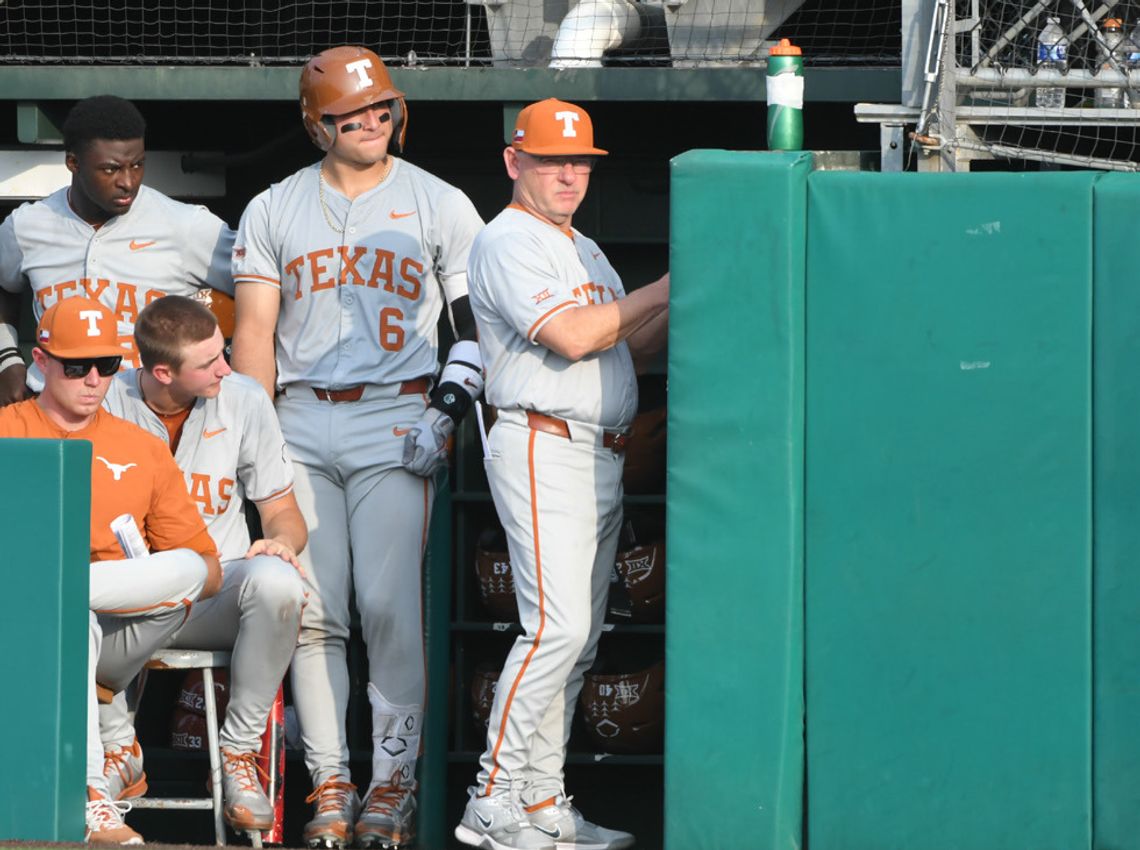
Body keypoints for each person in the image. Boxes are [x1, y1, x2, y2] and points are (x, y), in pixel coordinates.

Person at [230, 45, 485, 849]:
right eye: (351, 114)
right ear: (318, 126)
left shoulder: (439, 201)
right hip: (299, 418)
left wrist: (449, 404)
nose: (371, 122)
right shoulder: (273, 207)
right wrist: (253, 438)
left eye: (381, 109)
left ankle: (394, 782)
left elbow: (478, 323)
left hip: (397, 414)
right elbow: (256, 337)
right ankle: (331, 781)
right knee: (313, 613)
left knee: (389, 611)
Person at [455, 99, 669, 850]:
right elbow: (577, 337)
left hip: (598, 449)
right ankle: (491, 795)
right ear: (516, 163)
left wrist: (690, 286)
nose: (569, 174)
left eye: (578, 161)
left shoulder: (584, 247)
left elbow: (628, 349)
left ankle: (542, 800)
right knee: (557, 628)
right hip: (543, 443)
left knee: (577, 640)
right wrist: (669, 285)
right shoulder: (507, 239)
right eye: (551, 160)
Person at [0, 296, 223, 844]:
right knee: (68, 615)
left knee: (190, 567)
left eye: (108, 365)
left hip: (117, 625)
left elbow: (207, 571)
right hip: (21, 624)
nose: (94, 378)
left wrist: (91, 586)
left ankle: (66, 592)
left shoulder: (141, 446)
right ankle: (91, 795)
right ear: (41, 361)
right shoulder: (7, 429)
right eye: (78, 365)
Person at [99, 295, 307, 833]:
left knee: (279, 583)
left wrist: (280, 542)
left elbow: (284, 513)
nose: (227, 367)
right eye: (210, 361)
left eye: (226, 351)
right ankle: (114, 748)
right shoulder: (106, 399)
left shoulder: (243, 397)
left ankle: (238, 757)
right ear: (162, 372)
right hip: (126, 601)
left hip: (212, 591)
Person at [0, 94, 235, 403]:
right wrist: (7, 360)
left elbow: (261, 285)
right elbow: (4, 286)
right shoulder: (27, 225)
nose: (128, 181)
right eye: (111, 169)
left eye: (137, 165)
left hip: (143, 408)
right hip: (49, 404)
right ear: (73, 162)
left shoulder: (186, 225)